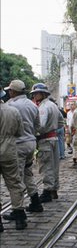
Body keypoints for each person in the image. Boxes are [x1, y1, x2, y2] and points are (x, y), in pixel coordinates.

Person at [3, 80, 43, 220]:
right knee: (27, 173)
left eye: (10, 91)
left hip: (17, 145)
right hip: (30, 142)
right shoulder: (32, 105)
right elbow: (38, 126)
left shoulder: (11, 105)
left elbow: (15, 131)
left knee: (16, 179)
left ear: (13, 91)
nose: (9, 93)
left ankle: (18, 210)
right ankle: (35, 201)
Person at [0, 85, 28, 231]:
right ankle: (19, 217)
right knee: (14, 183)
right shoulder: (13, 110)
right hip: (9, 151)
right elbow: (20, 132)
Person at [31, 83, 63, 203]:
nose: (34, 96)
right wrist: (53, 128)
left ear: (42, 94)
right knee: (54, 166)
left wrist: (34, 133)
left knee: (46, 167)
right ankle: (54, 189)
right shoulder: (53, 105)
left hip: (45, 139)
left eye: (36, 93)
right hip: (53, 138)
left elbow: (41, 126)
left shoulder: (43, 107)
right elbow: (61, 122)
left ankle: (47, 191)